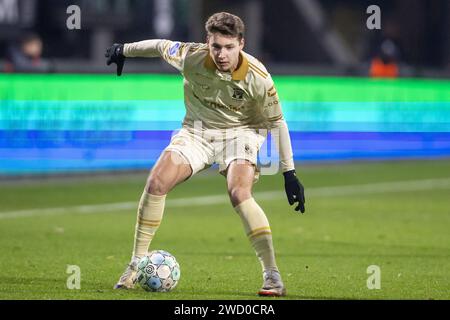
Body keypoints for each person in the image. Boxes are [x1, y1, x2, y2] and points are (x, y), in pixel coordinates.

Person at [105, 12, 305, 297]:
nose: (222, 54)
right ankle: (135, 264)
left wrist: (289, 173)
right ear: (207, 43)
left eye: (229, 47)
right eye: (216, 47)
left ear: (241, 44)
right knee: (156, 183)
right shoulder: (191, 56)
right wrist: (123, 50)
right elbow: (160, 46)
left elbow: (277, 123)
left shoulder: (258, 77)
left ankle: (272, 276)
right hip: (197, 132)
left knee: (238, 192)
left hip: (242, 132)